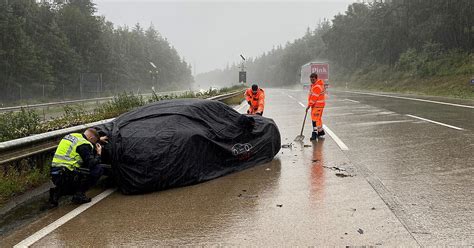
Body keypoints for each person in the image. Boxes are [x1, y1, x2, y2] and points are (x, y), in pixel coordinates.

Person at [48, 128, 108, 207]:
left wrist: (98, 140)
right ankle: (79, 195)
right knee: (97, 169)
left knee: (76, 171)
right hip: (67, 175)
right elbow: (91, 163)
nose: (93, 144)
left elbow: (88, 139)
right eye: (94, 142)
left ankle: (56, 193)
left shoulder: (72, 135)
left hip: (55, 173)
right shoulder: (84, 144)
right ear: (91, 138)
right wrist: (99, 154)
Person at [306, 73, 326, 141]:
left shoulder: (317, 86)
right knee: (318, 119)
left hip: (317, 105)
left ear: (316, 78)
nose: (312, 80)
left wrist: (309, 105)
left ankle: (314, 134)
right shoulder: (314, 85)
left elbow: (314, 98)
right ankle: (320, 132)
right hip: (317, 106)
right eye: (311, 79)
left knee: (314, 120)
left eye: (313, 79)